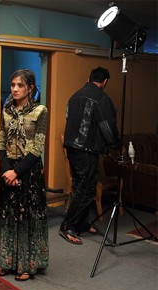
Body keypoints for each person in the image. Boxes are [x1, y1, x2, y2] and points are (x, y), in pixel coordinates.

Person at [0, 69, 49, 281]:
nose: (15, 89)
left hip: (29, 171)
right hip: (7, 168)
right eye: (13, 85)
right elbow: (0, 142)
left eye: (20, 85)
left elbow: (37, 148)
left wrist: (16, 171)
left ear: (30, 88)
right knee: (8, 214)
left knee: (26, 217)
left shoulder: (40, 111)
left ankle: (26, 265)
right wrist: (7, 170)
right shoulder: (6, 110)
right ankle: (6, 261)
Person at [60, 67, 119, 245]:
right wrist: (115, 145)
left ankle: (82, 224)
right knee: (86, 190)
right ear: (105, 81)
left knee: (80, 186)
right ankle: (68, 226)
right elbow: (107, 127)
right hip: (86, 150)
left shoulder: (74, 96)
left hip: (72, 148)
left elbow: (68, 118)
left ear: (89, 78)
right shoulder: (101, 98)